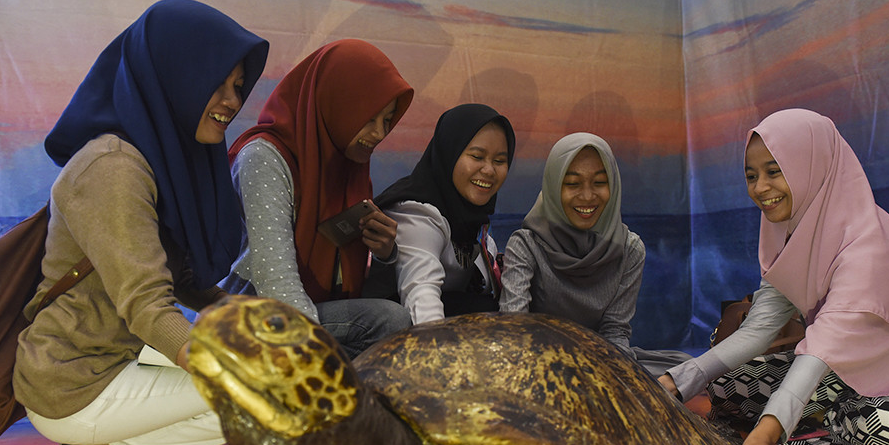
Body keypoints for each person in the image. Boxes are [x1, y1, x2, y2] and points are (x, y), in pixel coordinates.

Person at [13, 0, 269, 445]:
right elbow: (147, 305)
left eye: (238, 86)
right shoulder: (113, 167)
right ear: (175, 75)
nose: (231, 101)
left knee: (259, 370)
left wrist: (239, 315)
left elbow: (177, 275)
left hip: (112, 360)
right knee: (261, 391)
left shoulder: (156, 158)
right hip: (74, 380)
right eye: (216, 82)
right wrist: (240, 365)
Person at [659, 108, 889, 445]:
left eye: (774, 171)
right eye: (751, 175)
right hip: (845, 373)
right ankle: (825, 415)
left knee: (884, 426)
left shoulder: (872, 246)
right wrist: (674, 383)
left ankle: (819, 418)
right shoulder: (794, 239)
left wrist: (766, 434)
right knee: (725, 386)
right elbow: (758, 330)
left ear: (812, 167)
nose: (760, 188)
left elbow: (822, 346)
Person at [224, 40, 415, 358]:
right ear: (335, 103)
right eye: (368, 117)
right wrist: (321, 371)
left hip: (308, 308)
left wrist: (384, 254)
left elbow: (348, 280)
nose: (379, 134)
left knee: (392, 321)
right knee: (380, 336)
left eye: (387, 120)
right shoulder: (264, 158)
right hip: (252, 311)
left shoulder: (346, 163)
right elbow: (276, 283)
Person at [499, 132, 690, 376]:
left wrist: (605, 373)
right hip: (538, 362)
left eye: (599, 182)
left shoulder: (629, 249)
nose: (588, 196)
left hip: (600, 362)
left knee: (682, 372)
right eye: (572, 184)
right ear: (553, 186)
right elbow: (513, 327)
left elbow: (615, 331)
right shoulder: (526, 245)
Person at [366, 103, 515, 323]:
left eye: (499, 161)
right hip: (392, 333)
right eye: (477, 156)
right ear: (449, 153)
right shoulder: (417, 214)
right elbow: (421, 293)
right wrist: (435, 345)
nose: (489, 170)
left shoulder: (471, 220)